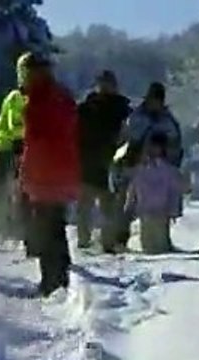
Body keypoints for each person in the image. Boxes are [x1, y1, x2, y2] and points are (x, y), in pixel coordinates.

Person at [19, 53, 80, 297]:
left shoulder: (37, 100)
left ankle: (52, 281)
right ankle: (59, 276)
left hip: (44, 172)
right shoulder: (62, 97)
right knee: (56, 224)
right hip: (63, 169)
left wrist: (26, 172)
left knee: (46, 227)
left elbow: (33, 143)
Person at [110, 81, 183, 249]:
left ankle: (161, 239)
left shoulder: (168, 121)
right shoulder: (136, 118)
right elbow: (124, 141)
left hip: (160, 168)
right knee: (126, 202)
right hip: (134, 165)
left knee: (161, 204)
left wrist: (171, 162)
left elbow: (175, 144)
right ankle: (120, 237)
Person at [76, 70, 131, 251]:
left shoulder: (123, 109)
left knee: (110, 205)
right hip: (88, 160)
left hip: (111, 161)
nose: (106, 87)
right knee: (86, 205)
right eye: (103, 83)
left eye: (109, 83)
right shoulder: (86, 108)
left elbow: (128, 134)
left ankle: (108, 241)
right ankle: (84, 240)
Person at [0, 53, 32, 242]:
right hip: (7, 149)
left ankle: (18, 227)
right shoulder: (16, 98)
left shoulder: (32, 97)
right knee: (6, 190)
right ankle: (1, 227)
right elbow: (14, 124)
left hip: (21, 148)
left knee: (22, 191)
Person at [124, 132, 184, 254]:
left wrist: (174, 209)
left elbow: (174, 191)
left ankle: (163, 252)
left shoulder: (168, 170)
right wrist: (130, 205)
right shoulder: (140, 169)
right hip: (145, 210)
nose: (153, 150)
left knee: (160, 242)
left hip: (161, 211)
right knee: (147, 242)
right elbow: (133, 188)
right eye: (151, 146)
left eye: (156, 147)